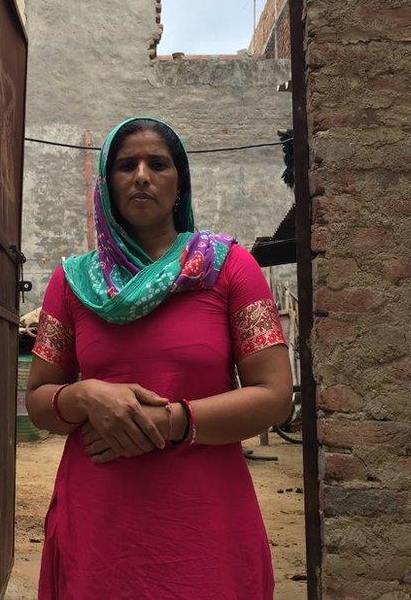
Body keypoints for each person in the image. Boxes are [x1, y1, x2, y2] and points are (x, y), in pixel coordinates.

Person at [26, 116, 294, 599]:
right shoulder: (72, 282)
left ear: (180, 182)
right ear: (108, 184)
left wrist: (166, 422)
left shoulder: (229, 267)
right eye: (126, 165)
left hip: (203, 519)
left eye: (159, 164)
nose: (142, 175)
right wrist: (86, 396)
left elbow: (275, 398)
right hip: (100, 519)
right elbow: (40, 401)